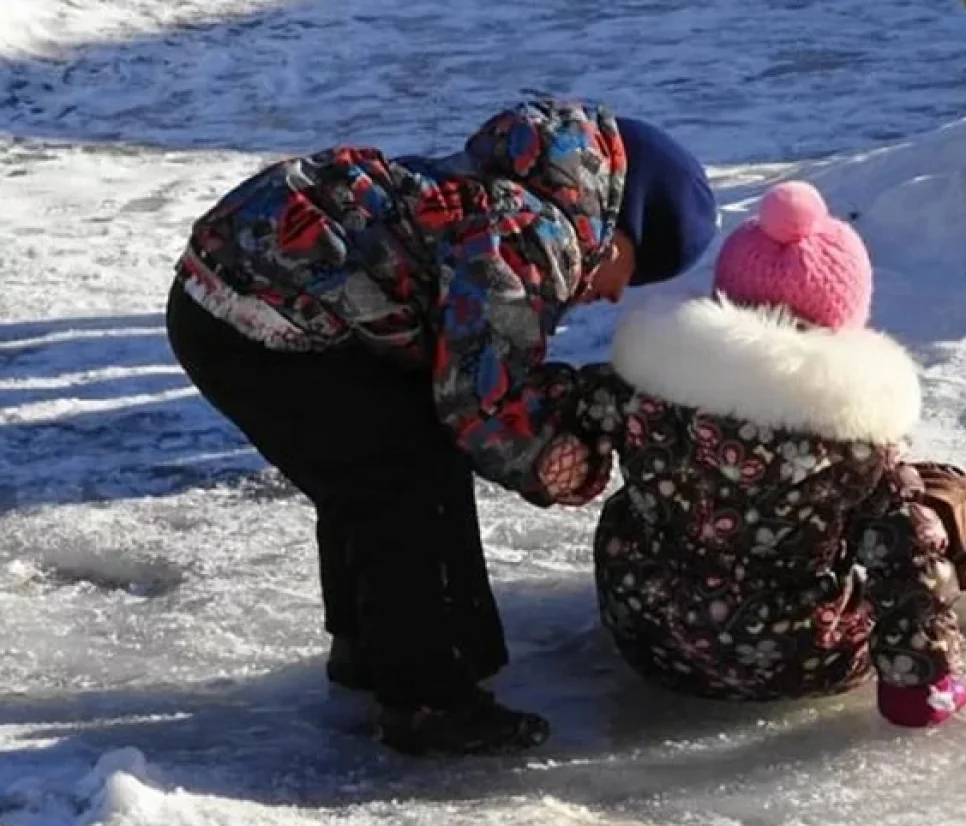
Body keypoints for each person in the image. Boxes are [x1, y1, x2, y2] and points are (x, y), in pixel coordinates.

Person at [164, 98, 718, 754]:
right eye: (635, 265)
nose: (617, 292)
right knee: (401, 475)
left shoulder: (508, 185)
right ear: (620, 223)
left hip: (226, 291)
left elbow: (461, 357)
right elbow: (481, 404)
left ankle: (369, 650)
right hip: (257, 318)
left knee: (377, 455)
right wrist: (559, 461)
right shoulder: (539, 237)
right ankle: (426, 699)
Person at [554, 181, 966, 727]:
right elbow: (905, 557)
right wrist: (918, 681)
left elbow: (559, 424)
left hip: (650, 637)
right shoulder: (852, 444)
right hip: (800, 657)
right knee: (932, 506)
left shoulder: (645, 391)